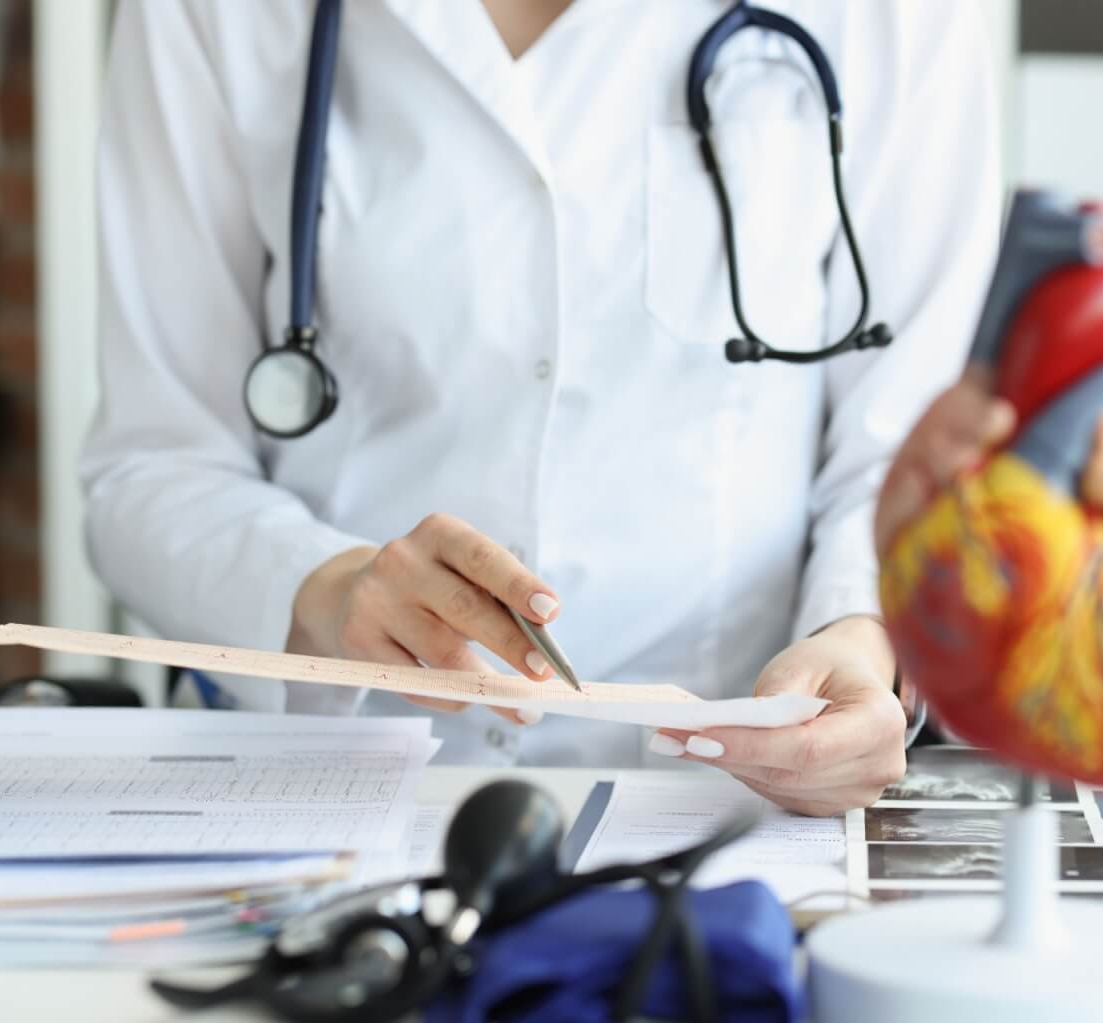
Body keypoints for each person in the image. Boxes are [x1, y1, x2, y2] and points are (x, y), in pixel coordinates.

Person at [80, 0, 1002, 816]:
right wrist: (328, 589)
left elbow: (908, 461)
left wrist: (860, 628)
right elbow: (151, 467)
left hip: (723, 806)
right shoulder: (210, 14)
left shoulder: (900, 16)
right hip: (325, 789)